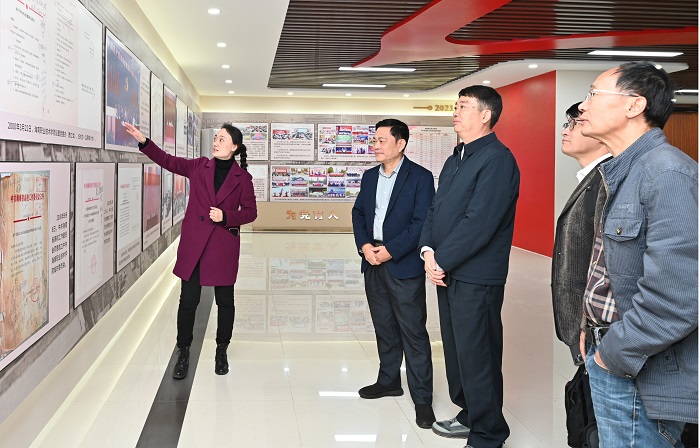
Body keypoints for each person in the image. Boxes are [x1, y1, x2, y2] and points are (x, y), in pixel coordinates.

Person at [577, 61, 698, 447]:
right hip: (613, 351)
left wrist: (612, 354)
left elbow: (678, 297)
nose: (582, 105)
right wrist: (590, 330)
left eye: (593, 94)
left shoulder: (667, 174)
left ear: (634, 105)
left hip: (636, 366)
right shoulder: (625, 171)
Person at [419, 85, 519, 448]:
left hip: (477, 275)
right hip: (447, 270)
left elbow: (480, 222)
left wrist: (442, 260)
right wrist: (428, 252)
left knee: (479, 354)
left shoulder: (497, 159)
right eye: (456, 106)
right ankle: (469, 413)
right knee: (457, 350)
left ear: (485, 115)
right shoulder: (456, 158)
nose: (455, 112)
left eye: (463, 106)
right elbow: (434, 210)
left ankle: (489, 433)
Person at [124, 122, 257, 379]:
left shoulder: (243, 179)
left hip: (222, 248)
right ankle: (183, 351)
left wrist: (226, 216)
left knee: (225, 302)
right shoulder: (199, 166)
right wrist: (144, 142)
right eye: (215, 138)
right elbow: (169, 161)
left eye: (222, 139)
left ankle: (221, 350)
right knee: (188, 302)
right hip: (195, 246)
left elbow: (251, 213)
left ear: (234, 147)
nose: (216, 142)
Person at [351, 118, 436, 429]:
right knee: (384, 326)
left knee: (413, 332)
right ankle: (388, 380)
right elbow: (359, 212)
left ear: (401, 144)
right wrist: (365, 246)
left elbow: (421, 222)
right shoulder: (369, 176)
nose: (375, 145)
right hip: (373, 260)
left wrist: (391, 250)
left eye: (381, 140)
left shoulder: (420, 177)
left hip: (402, 262)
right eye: (374, 140)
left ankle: (422, 399)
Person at [552, 102, 611, 364]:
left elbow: (607, 265)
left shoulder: (606, 182)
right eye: (568, 124)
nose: (565, 131)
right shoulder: (591, 179)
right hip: (584, 326)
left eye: (575, 124)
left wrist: (588, 324)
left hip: (595, 327)